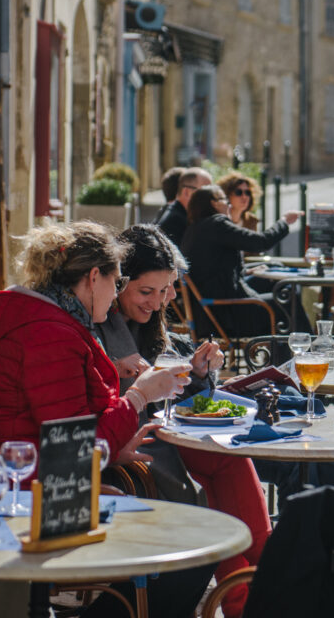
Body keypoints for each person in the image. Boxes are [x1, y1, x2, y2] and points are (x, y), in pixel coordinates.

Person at [0, 220, 211, 618]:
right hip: (35, 495)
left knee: (188, 531)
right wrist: (138, 396)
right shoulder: (49, 333)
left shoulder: (43, 318)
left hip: (36, 481)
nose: (116, 296)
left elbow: (66, 432)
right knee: (193, 544)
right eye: (117, 284)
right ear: (94, 277)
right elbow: (72, 453)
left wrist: (116, 450)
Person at [98, 224, 272, 618]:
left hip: (163, 434)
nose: (160, 302)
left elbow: (172, 385)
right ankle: (248, 597)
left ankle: (260, 587)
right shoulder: (94, 321)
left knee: (230, 458)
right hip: (125, 448)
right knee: (218, 486)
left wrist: (197, 370)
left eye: (167, 290)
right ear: (113, 281)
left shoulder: (143, 322)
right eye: (147, 291)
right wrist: (124, 376)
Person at [181, 184, 309, 336]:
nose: (229, 204)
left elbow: (213, 267)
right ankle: (309, 349)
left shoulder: (194, 229)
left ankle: (287, 353)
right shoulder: (217, 224)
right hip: (229, 315)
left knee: (279, 285)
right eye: (224, 200)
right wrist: (284, 222)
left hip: (209, 314)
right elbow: (261, 242)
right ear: (214, 203)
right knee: (289, 300)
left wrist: (246, 271)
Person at [156, 167, 212, 247]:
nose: (211, 198)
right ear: (186, 192)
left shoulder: (180, 214)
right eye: (206, 192)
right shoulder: (175, 221)